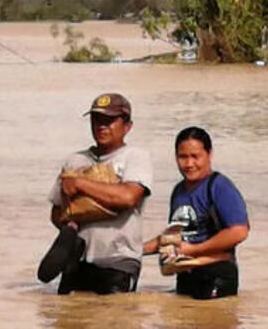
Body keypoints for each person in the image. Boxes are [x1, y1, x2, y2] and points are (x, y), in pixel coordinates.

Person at [43, 92, 153, 295]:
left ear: (127, 126)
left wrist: (80, 185)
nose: (102, 126)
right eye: (97, 120)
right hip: (76, 261)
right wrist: (70, 225)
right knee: (69, 320)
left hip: (119, 261)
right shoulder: (74, 161)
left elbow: (128, 197)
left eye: (109, 120)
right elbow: (56, 213)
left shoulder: (136, 157)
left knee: (113, 321)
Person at [143, 127, 250, 299]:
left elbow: (239, 231)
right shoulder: (179, 191)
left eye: (195, 156)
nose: (189, 164)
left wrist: (195, 249)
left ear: (209, 154)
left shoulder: (219, 187)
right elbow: (174, 237)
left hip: (217, 275)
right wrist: (135, 250)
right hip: (185, 274)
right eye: (183, 157)